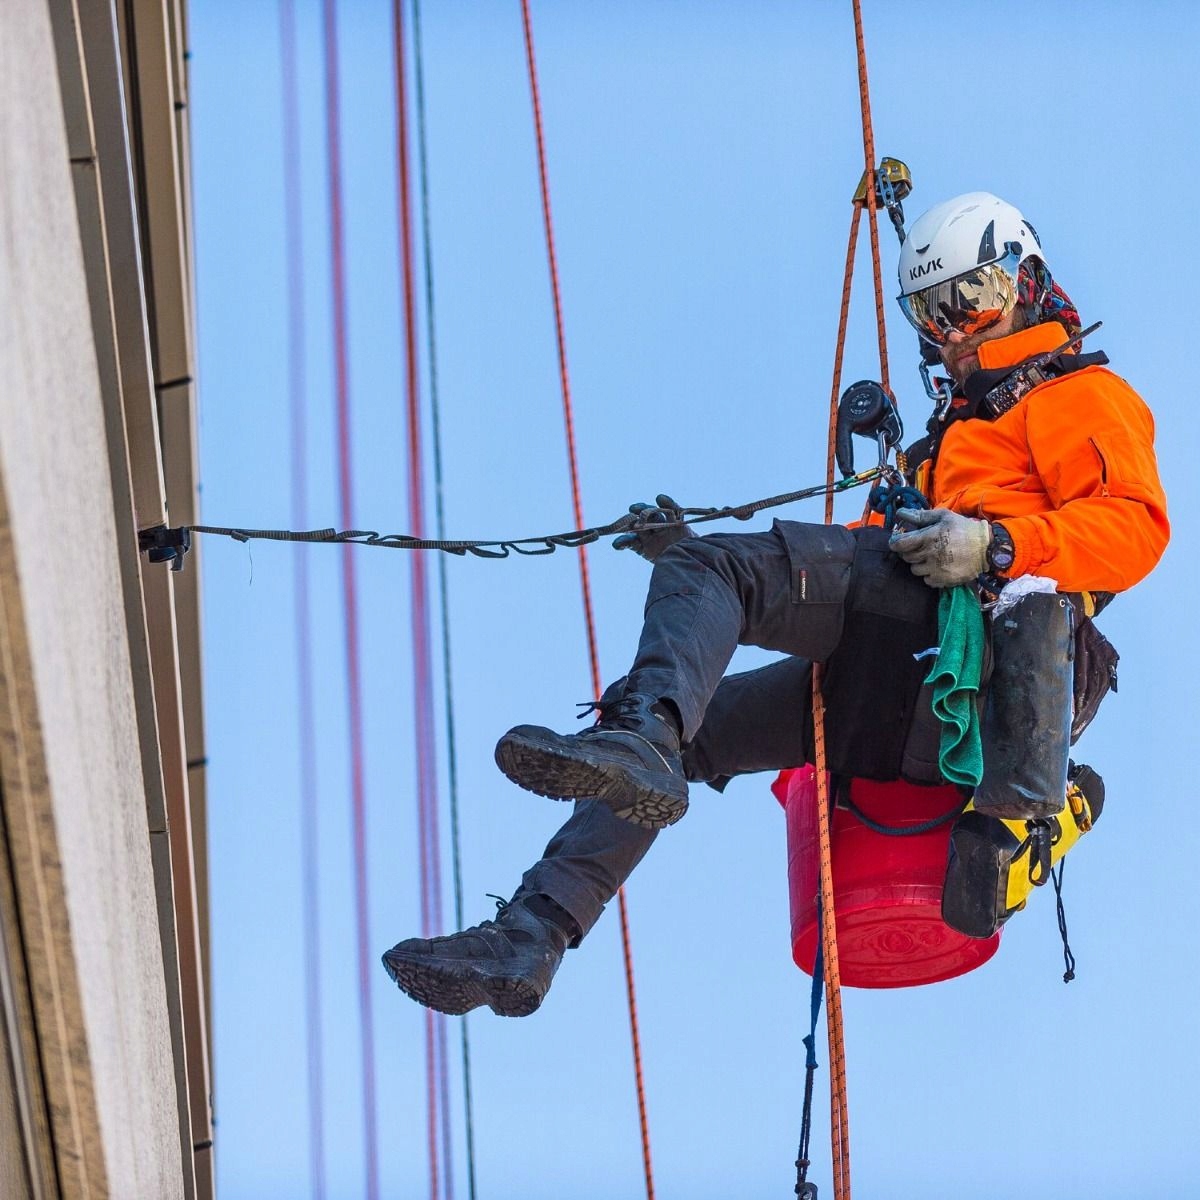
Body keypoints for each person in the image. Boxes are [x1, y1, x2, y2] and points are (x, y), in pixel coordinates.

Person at [381, 192, 1169, 1017]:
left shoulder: (1076, 395)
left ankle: (642, 729)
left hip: (976, 641)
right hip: (903, 679)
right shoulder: (952, 437)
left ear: (1027, 281)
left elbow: (1134, 527)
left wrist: (995, 546)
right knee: (693, 725)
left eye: (971, 299)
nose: (954, 330)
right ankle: (532, 935)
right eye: (932, 314)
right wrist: (688, 560)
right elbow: (854, 562)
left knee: (714, 579)